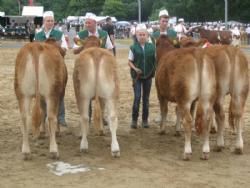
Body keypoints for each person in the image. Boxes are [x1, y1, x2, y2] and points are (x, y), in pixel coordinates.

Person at [73, 12, 113, 124]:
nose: (87, 25)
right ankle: (88, 117)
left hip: (101, 65)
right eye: (86, 23)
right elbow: (74, 51)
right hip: (85, 67)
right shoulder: (81, 34)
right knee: (85, 93)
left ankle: (101, 116)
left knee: (103, 93)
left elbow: (110, 49)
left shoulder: (104, 34)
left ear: (95, 23)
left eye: (89, 23)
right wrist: (85, 45)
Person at [34, 11, 68, 128]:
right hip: (42, 67)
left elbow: (64, 50)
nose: (50, 23)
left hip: (57, 67)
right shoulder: (38, 35)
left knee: (59, 92)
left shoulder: (59, 34)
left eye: (52, 21)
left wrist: (56, 46)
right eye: (48, 21)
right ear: (44, 22)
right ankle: (42, 119)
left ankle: (61, 118)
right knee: (41, 94)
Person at [151, 9, 177, 123]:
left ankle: (175, 114)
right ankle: (161, 113)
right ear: (159, 21)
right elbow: (152, 50)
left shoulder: (173, 34)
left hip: (172, 66)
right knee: (161, 91)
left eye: (166, 21)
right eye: (163, 20)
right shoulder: (154, 35)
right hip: (159, 66)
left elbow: (177, 48)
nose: (165, 23)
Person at [128, 23, 156, 129]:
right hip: (137, 77)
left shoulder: (152, 47)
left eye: (144, 34)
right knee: (137, 97)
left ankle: (145, 120)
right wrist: (135, 69)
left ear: (147, 36)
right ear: (137, 36)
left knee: (146, 98)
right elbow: (129, 61)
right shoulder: (133, 47)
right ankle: (134, 120)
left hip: (148, 76)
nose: (142, 36)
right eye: (140, 35)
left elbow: (155, 60)